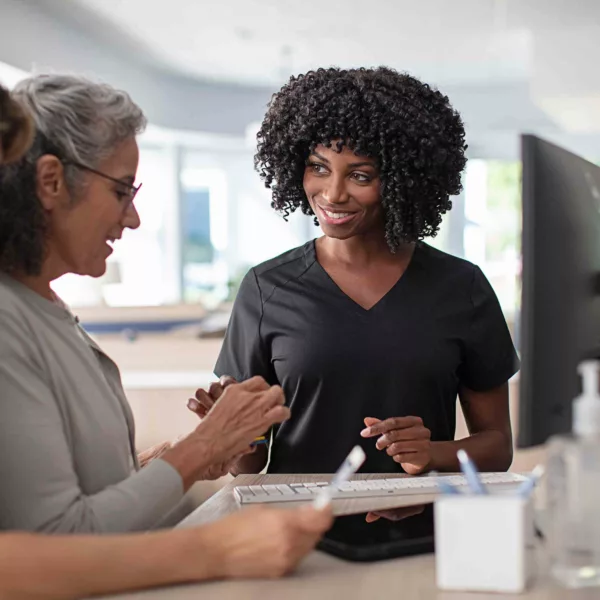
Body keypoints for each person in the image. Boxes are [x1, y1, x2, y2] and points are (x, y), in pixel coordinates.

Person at [0, 82, 332, 597]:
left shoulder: (45, 309)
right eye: (121, 190)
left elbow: (79, 495)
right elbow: (57, 543)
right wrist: (200, 451)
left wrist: (175, 461)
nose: (131, 217)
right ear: (50, 182)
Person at [191, 67, 520, 476]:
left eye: (361, 175)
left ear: (404, 180)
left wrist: (432, 452)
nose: (332, 194)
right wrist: (230, 430)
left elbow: (498, 447)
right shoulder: (266, 288)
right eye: (319, 167)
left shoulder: (462, 287)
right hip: (299, 534)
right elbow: (249, 463)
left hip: (427, 532)